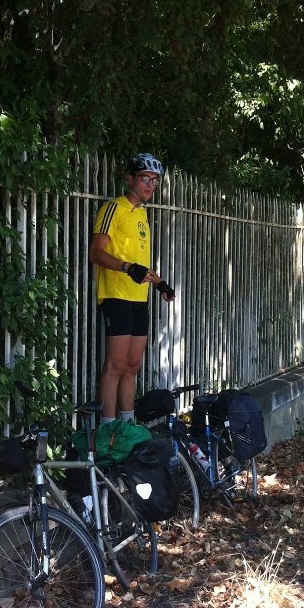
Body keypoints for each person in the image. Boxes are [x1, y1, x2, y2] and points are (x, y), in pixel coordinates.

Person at [88, 152, 175, 426]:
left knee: (132, 366)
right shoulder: (114, 208)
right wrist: (127, 268)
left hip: (139, 297)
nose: (149, 185)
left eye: (154, 181)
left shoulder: (143, 215)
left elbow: (140, 263)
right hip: (116, 296)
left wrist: (159, 282)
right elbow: (96, 253)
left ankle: (127, 426)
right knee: (114, 366)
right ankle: (108, 429)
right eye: (144, 179)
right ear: (130, 178)